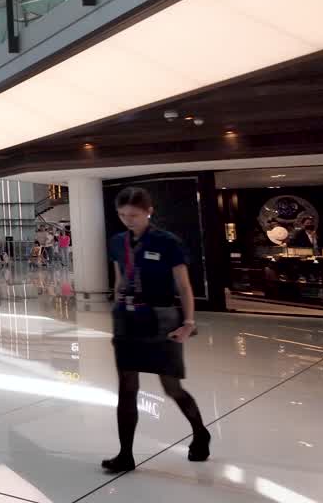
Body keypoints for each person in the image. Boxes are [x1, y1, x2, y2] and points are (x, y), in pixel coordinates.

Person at [102, 186, 208, 473]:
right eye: (122, 215)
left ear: (149, 211)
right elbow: (120, 279)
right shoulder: (117, 242)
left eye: (134, 215)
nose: (128, 220)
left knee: (171, 387)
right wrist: (117, 309)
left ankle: (200, 432)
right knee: (127, 388)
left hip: (161, 318)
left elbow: (184, 286)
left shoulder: (167, 242)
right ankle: (125, 454)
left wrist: (188, 323)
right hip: (127, 320)